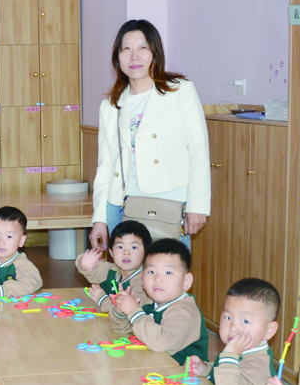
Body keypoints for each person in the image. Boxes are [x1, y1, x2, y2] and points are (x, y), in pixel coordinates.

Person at [88, 20, 210, 251]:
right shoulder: (111, 105)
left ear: (155, 52)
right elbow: (106, 165)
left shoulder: (180, 91)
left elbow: (199, 151)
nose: (134, 56)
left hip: (168, 204)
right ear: (117, 57)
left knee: (167, 269)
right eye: (126, 49)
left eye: (142, 47)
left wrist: (197, 206)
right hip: (120, 206)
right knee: (126, 271)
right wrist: (99, 219)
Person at [110, 238, 209, 371]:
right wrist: (122, 311)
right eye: (151, 272)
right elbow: (122, 329)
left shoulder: (186, 312)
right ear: (142, 281)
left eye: (168, 272)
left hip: (181, 379)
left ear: (186, 281)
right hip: (156, 372)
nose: (157, 279)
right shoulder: (152, 305)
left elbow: (160, 342)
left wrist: (133, 311)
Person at [211, 278, 281, 385]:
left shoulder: (259, 366)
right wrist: (207, 370)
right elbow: (228, 373)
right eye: (227, 317)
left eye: (245, 321)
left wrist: (230, 355)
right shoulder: (238, 350)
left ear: (269, 330)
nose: (233, 327)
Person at [75, 219, 150, 308]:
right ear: (111, 253)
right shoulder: (111, 270)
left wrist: (101, 299)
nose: (126, 252)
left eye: (134, 247)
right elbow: (91, 270)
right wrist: (85, 264)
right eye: (120, 247)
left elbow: (127, 310)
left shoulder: (144, 282)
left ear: (146, 253)